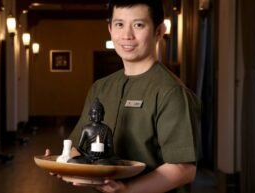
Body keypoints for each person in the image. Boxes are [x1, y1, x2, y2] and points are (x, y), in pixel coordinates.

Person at [46, 0, 201, 192]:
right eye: (119, 24)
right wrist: (61, 160)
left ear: (159, 31)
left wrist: (127, 190)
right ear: (110, 29)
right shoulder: (101, 88)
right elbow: (79, 148)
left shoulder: (171, 92)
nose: (127, 35)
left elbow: (183, 169)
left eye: (138, 25)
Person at [67, 98, 123, 165]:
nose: (97, 116)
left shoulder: (107, 129)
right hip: (88, 156)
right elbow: (79, 147)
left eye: (100, 113)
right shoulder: (86, 129)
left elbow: (110, 148)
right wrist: (88, 155)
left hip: (102, 158)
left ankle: (97, 165)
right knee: (72, 161)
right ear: (90, 114)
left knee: (110, 163)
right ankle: (93, 164)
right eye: (94, 113)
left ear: (103, 114)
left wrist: (103, 154)